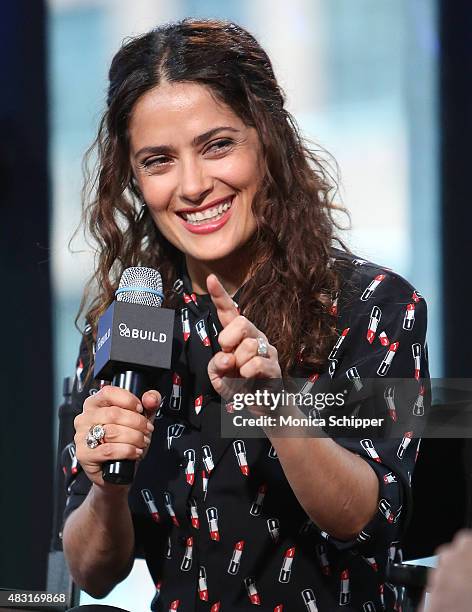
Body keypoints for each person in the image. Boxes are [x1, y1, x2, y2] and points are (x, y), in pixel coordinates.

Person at [61, 18, 429, 612]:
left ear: (268, 139)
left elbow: (367, 521)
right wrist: (106, 488)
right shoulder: (127, 325)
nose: (193, 185)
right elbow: (92, 574)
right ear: (132, 178)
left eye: (217, 146)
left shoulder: (378, 305)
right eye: (158, 160)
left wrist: (274, 405)